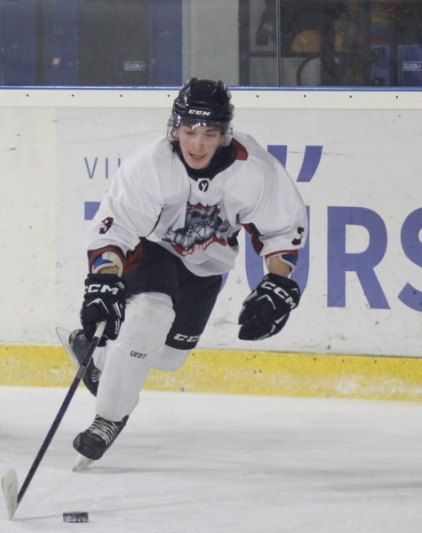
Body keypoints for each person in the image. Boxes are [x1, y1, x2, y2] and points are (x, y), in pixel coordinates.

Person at [68, 78, 307, 469]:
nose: (197, 144)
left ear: (224, 134)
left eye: (209, 134)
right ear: (175, 128)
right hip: (154, 249)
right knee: (150, 313)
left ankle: (96, 357)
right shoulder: (151, 164)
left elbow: (281, 230)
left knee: (168, 358)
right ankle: (107, 421)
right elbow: (117, 228)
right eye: (189, 131)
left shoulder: (254, 169)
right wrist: (104, 280)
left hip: (207, 265)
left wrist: (277, 282)